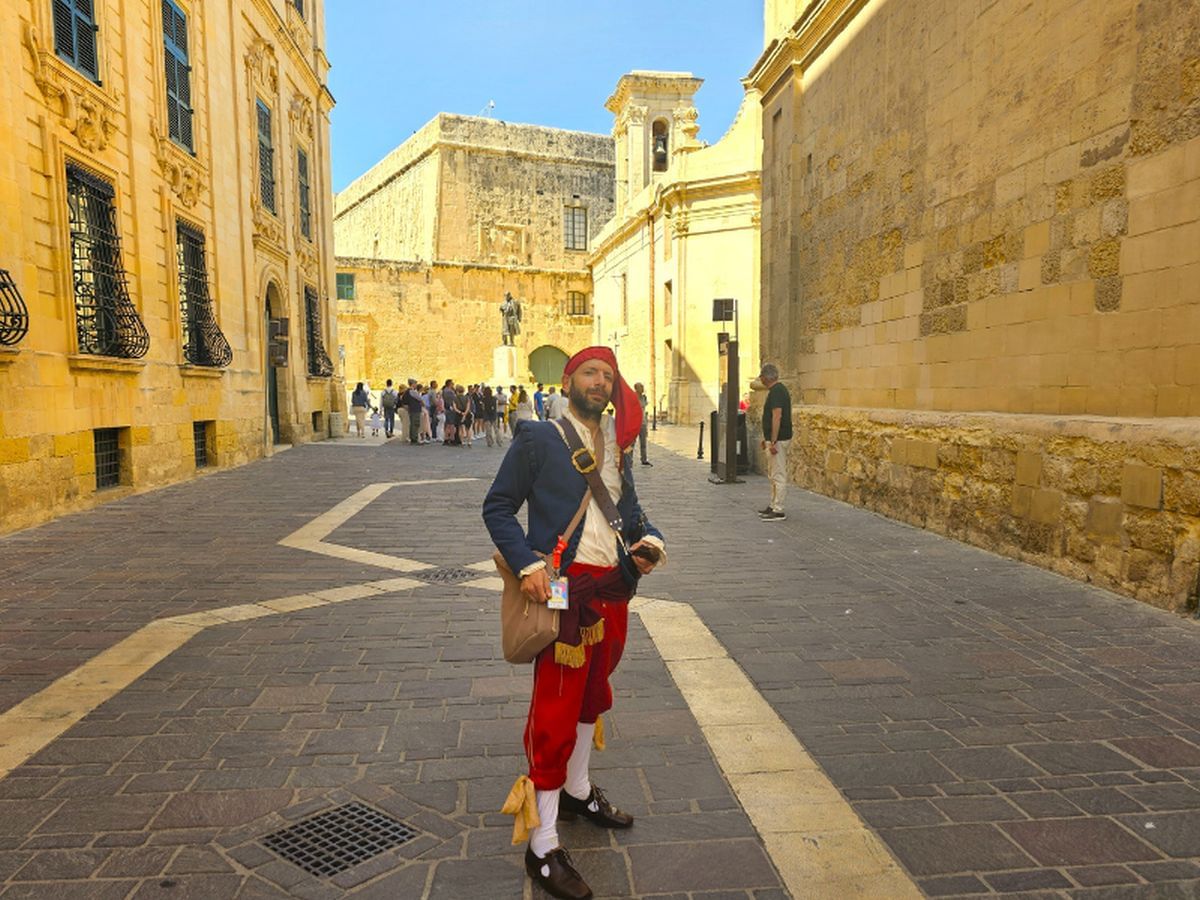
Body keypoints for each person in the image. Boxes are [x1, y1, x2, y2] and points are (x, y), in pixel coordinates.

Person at [483, 346, 665, 900]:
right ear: (567, 381)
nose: (601, 382)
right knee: (556, 707)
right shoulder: (539, 438)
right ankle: (541, 846)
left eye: (608, 375)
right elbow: (497, 507)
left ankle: (578, 790)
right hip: (564, 591)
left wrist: (649, 538)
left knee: (593, 695)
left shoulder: (617, 447)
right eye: (590, 372)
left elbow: (627, 512)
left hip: (613, 590)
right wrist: (528, 563)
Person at [758, 362, 793, 522]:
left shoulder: (777, 392)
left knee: (778, 474)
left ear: (766, 377)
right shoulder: (776, 391)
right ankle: (773, 505)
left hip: (778, 440)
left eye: (761, 376)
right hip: (774, 439)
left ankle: (778, 509)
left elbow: (776, 416)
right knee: (773, 474)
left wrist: (773, 441)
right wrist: (766, 439)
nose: (760, 379)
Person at [633, 382, 651, 466]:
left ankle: (644, 459)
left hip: (643, 422)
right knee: (631, 442)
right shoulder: (632, 397)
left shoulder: (644, 397)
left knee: (643, 442)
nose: (643, 389)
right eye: (641, 387)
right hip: (634, 422)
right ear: (637, 388)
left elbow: (644, 408)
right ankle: (629, 460)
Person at [404, 379, 424, 445]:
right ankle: (414, 439)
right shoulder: (412, 391)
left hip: (412, 409)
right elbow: (420, 398)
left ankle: (413, 438)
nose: (416, 385)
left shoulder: (407, 391)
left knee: (413, 423)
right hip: (415, 409)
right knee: (415, 424)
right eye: (415, 383)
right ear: (412, 384)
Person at [442, 379, 459, 445]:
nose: (453, 385)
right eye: (452, 383)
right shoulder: (449, 391)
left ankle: (446, 438)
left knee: (448, 424)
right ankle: (452, 438)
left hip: (447, 409)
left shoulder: (444, 390)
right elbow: (453, 400)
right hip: (451, 409)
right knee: (451, 424)